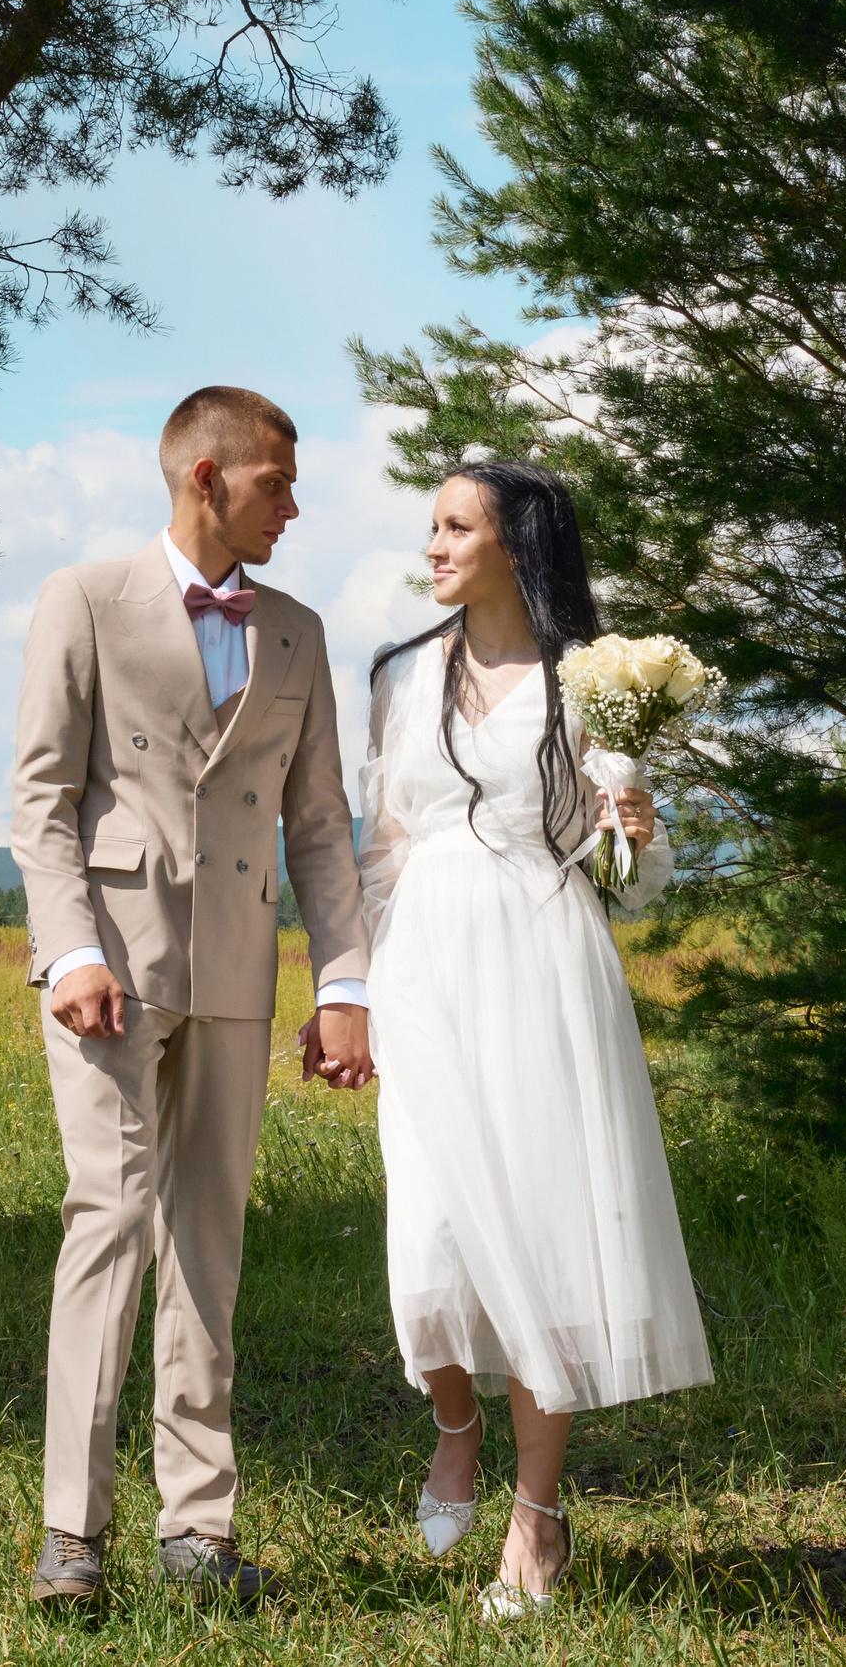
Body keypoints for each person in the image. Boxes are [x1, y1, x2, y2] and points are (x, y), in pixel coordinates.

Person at [9, 385, 375, 1608]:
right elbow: (42, 798)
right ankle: (73, 1529)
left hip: (234, 969)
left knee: (207, 1246)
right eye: (276, 479)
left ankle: (198, 1530)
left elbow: (318, 826)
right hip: (105, 972)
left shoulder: (298, 629)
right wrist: (68, 954)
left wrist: (341, 982)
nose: (293, 502)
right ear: (204, 476)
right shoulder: (88, 598)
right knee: (107, 1220)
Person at [354, 460, 712, 1619]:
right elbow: (381, 843)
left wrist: (632, 831)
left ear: (517, 543)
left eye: (455, 526)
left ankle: (536, 1512)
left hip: (543, 965)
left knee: (541, 1240)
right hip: (424, 969)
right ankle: (454, 1423)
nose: (434, 544)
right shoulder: (403, 674)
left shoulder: (589, 682)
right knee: (428, 1244)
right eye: (433, 525)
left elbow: (625, 875)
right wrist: (354, 983)